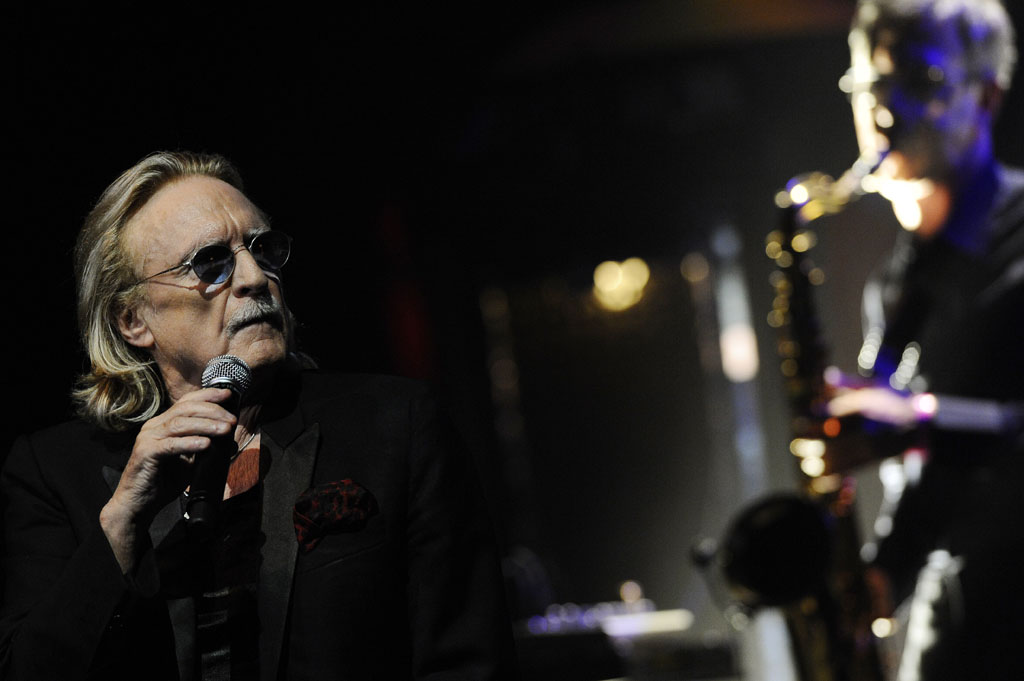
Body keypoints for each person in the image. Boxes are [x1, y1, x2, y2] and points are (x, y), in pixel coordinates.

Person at [0, 151, 517, 680]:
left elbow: (468, 660)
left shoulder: (394, 425)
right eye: (210, 263)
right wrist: (120, 521)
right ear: (133, 320)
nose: (253, 276)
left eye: (262, 250)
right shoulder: (54, 471)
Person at [826, 1, 1024, 679]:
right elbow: (930, 484)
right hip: (956, 631)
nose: (884, 110)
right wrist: (883, 572)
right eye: (869, 85)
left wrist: (921, 423)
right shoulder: (892, 289)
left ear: (989, 96)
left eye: (919, 81)